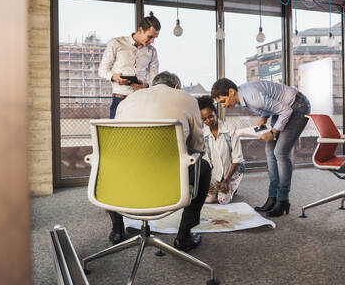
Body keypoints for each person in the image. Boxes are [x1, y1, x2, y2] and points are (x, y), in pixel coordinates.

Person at [109, 71, 212, 252]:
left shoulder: (127, 101)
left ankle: (117, 229)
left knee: (111, 166)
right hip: (168, 182)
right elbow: (198, 147)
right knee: (203, 167)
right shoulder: (187, 99)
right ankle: (183, 237)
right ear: (176, 87)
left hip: (125, 182)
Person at [211, 78, 311, 217]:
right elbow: (269, 104)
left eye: (223, 101)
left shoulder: (252, 97)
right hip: (282, 109)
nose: (222, 106)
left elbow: (286, 111)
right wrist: (264, 118)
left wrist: (273, 132)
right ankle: (272, 197)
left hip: (296, 106)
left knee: (280, 152)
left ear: (231, 92)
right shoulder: (243, 96)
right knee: (270, 151)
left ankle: (283, 200)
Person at [98, 12, 161, 119]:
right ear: (140, 30)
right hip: (119, 100)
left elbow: (154, 79)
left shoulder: (152, 51)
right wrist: (114, 77)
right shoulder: (116, 43)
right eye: (150, 37)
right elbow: (102, 70)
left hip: (141, 101)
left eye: (155, 38)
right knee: (116, 135)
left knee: (141, 135)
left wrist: (145, 86)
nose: (152, 41)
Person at [197, 95, 245, 205]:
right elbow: (205, 162)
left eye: (210, 117)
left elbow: (237, 158)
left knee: (222, 200)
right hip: (214, 173)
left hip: (232, 171)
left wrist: (226, 180)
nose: (208, 121)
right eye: (204, 119)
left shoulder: (230, 128)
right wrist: (207, 183)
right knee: (208, 199)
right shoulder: (203, 134)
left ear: (216, 113)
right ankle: (225, 186)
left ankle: (233, 186)